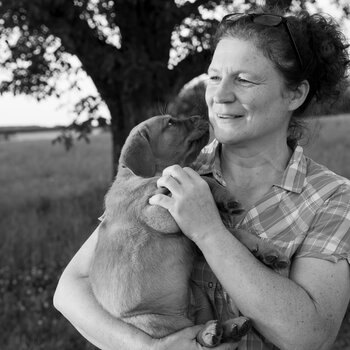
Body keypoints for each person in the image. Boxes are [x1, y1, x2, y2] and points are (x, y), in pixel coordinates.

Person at [53, 6, 350, 350]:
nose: (219, 95)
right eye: (213, 77)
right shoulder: (173, 174)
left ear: (295, 94)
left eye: (244, 79)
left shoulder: (330, 197)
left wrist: (209, 231)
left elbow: (308, 336)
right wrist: (147, 347)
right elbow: (69, 289)